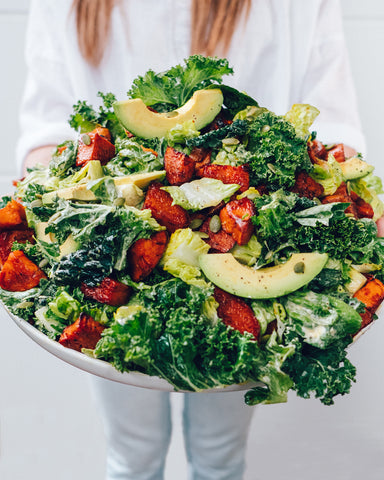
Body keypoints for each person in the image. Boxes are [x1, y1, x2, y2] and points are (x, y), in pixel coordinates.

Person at [17, 1, 376, 479]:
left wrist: (349, 195)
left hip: (261, 256)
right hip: (109, 267)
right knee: (131, 456)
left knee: (220, 455)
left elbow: (334, 120)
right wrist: (58, 201)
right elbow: (45, 128)